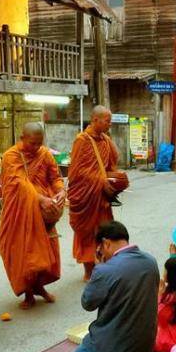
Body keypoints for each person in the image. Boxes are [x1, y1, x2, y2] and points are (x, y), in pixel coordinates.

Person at [73, 221, 159, 352]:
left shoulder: (105, 270)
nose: (101, 254)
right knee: (90, 340)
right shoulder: (150, 261)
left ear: (105, 243)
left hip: (117, 348)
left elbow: (87, 303)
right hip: (145, 347)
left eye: (100, 250)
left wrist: (98, 269)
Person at [0, 122, 66, 309]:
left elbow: (55, 177)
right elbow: (19, 185)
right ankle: (28, 293)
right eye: (32, 143)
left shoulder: (44, 154)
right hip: (20, 212)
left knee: (46, 252)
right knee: (26, 253)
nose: (36, 147)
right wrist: (39, 199)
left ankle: (40, 287)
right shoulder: (11, 156)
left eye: (39, 143)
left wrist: (61, 191)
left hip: (45, 214)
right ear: (22, 139)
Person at [68, 105, 119, 282]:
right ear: (95, 120)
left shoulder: (105, 140)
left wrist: (115, 179)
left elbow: (112, 163)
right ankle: (88, 270)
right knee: (88, 234)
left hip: (101, 198)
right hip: (86, 197)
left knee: (105, 233)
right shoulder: (82, 141)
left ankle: (104, 265)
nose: (109, 125)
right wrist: (100, 180)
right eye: (107, 121)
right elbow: (76, 172)